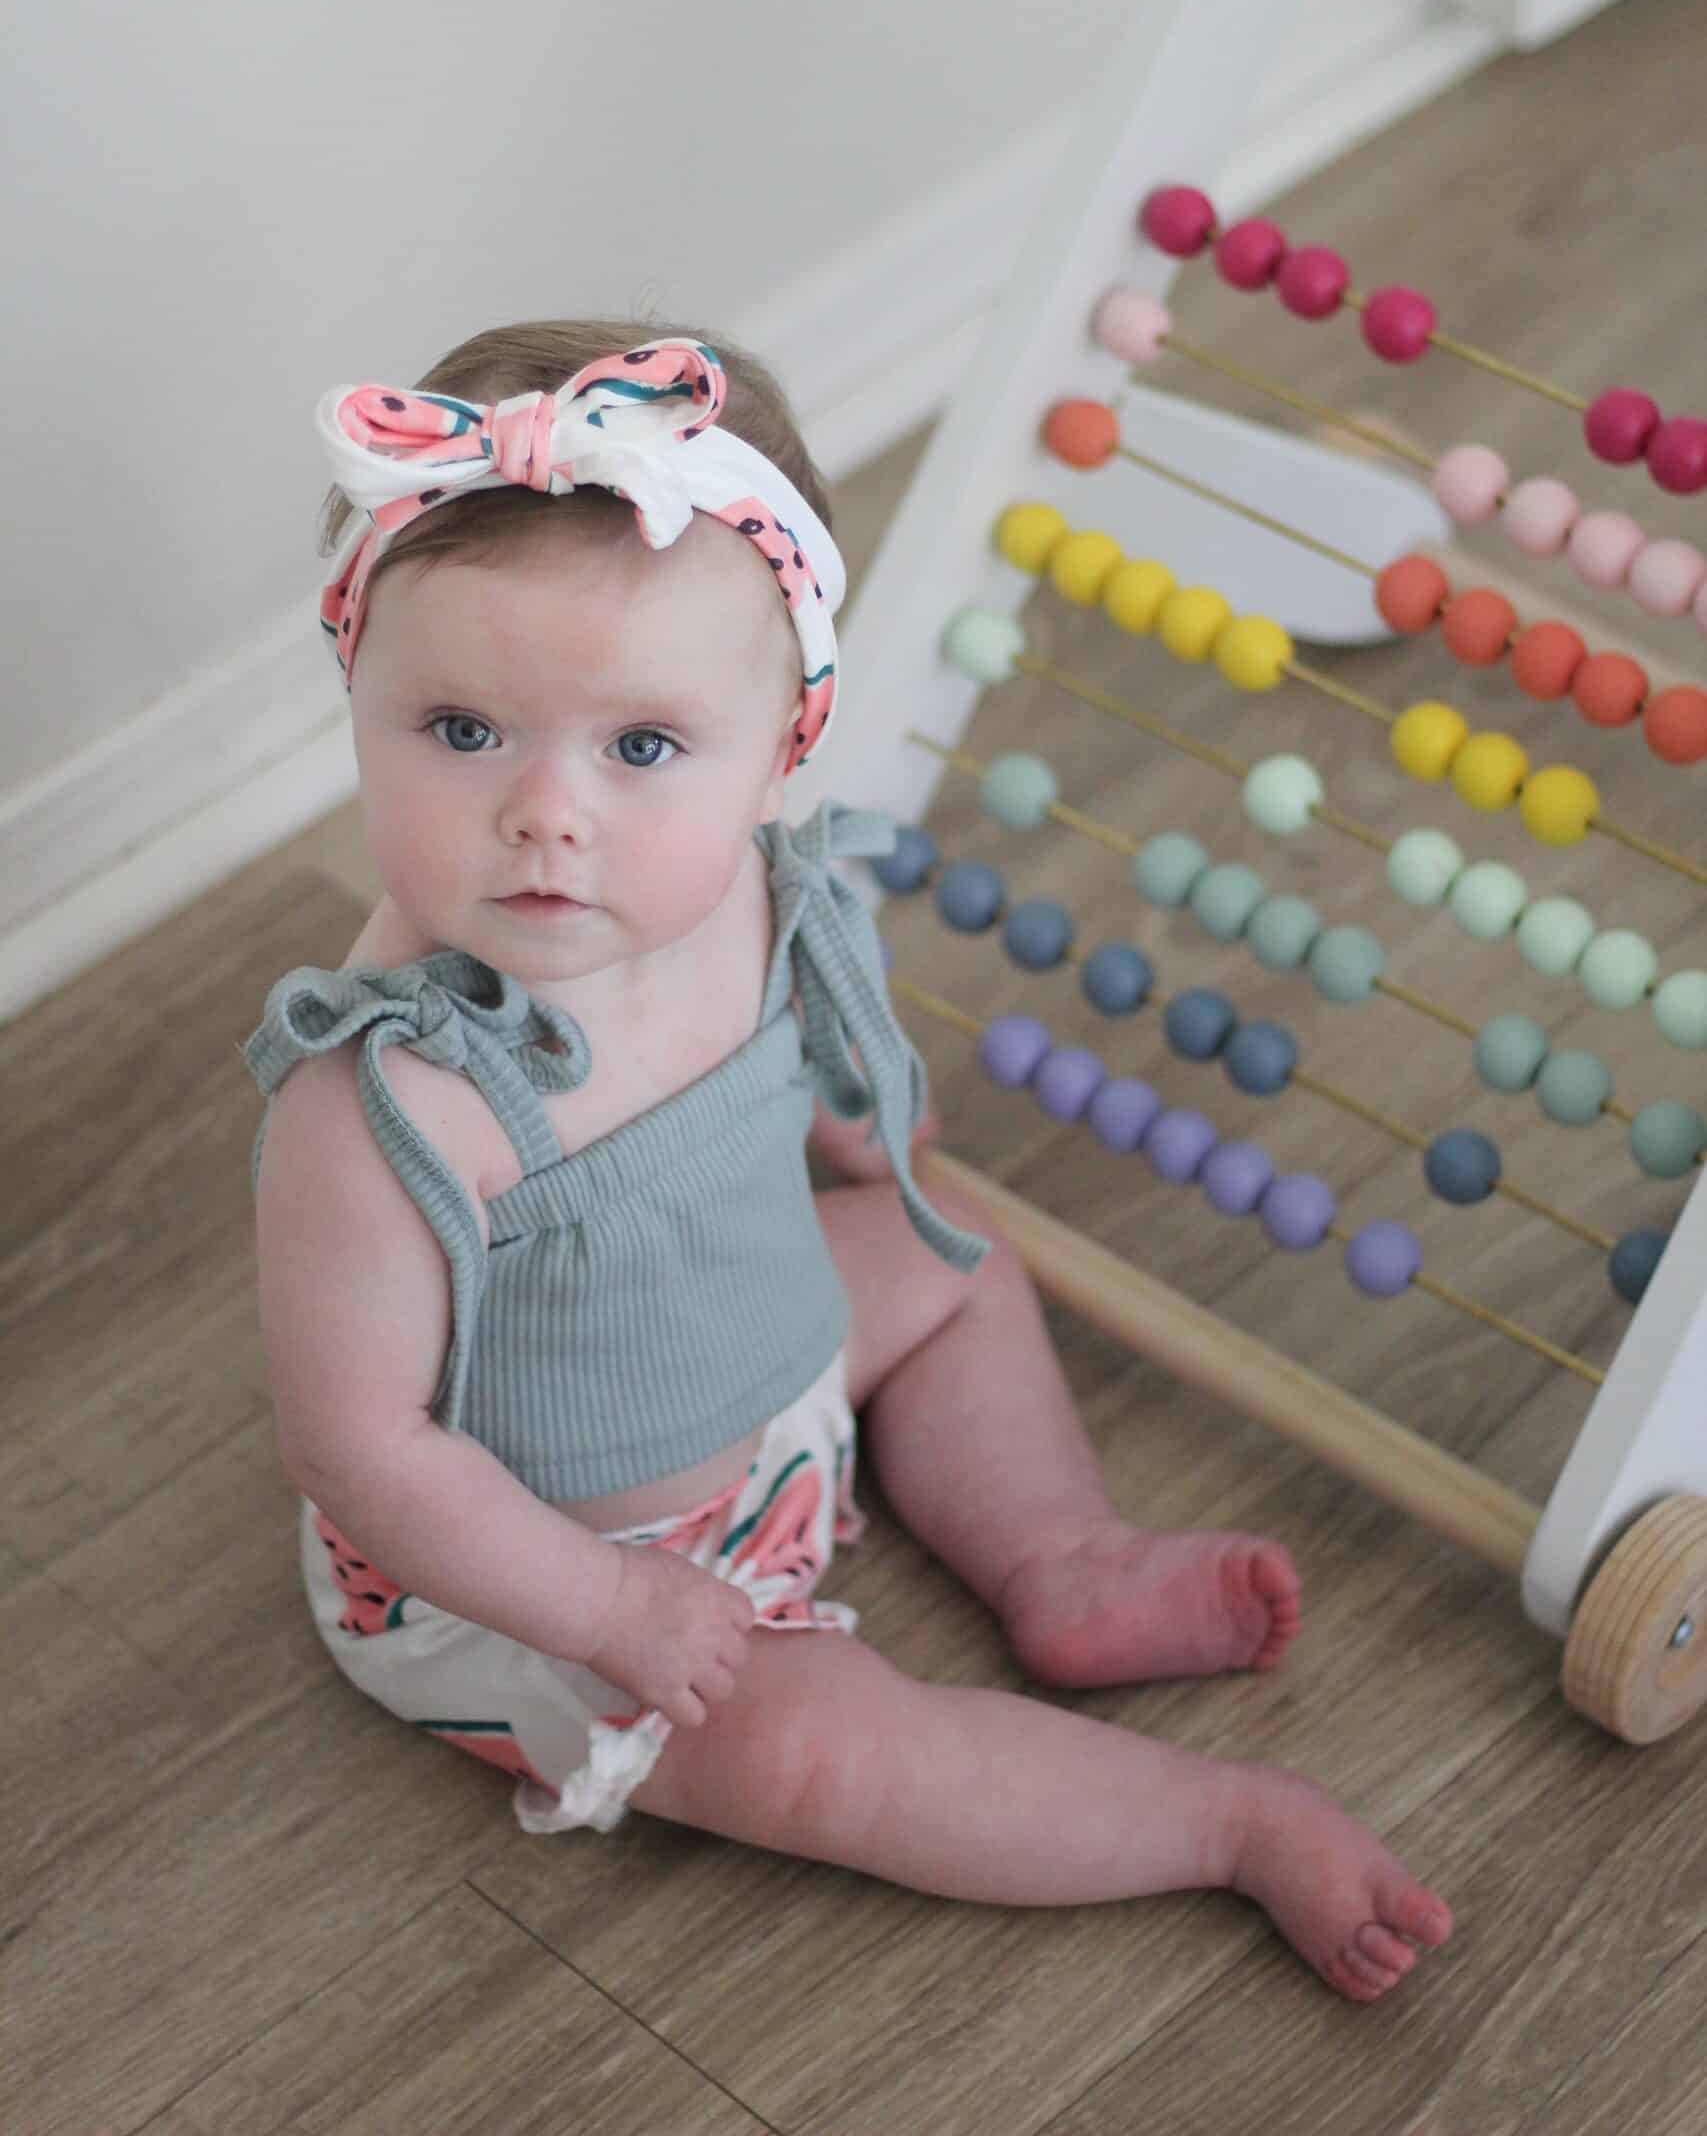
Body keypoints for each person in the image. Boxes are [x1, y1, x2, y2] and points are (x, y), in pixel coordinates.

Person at [245, 321, 1453, 2003]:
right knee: (820, 1757)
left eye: (643, 747)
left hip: (777, 1362)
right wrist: (607, 1613)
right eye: (460, 730)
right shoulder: (383, 1106)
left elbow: (813, 1013)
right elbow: (361, 1453)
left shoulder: (745, 885)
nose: (547, 815)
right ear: (357, 698)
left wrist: (845, 1119)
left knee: (950, 1254)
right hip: (544, 1572)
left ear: (782, 747)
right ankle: (1225, 1826)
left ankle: (1060, 1557)